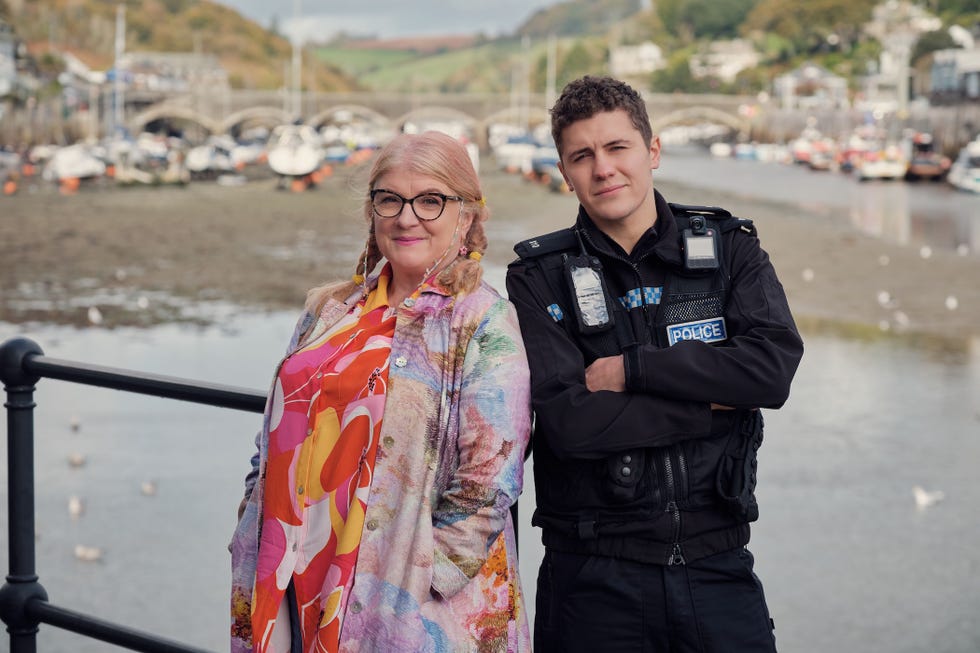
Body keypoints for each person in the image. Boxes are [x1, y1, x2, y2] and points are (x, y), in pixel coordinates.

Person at [505, 75, 804, 652]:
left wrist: (633, 371)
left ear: (653, 150)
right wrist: (711, 404)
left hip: (719, 569)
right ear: (564, 172)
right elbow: (568, 424)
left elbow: (770, 372)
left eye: (618, 147)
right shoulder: (537, 278)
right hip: (592, 580)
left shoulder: (729, 248)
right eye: (582, 156)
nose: (603, 169)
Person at [230, 131, 532, 653]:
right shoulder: (329, 309)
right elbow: (277, 431)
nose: (406, 217)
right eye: (390, 199)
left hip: (402, 604)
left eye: (430, 200)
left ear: (465, 215)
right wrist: (250, 521)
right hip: (293, 575)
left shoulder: (483, 322)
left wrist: (421, 580)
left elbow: (489, 478)